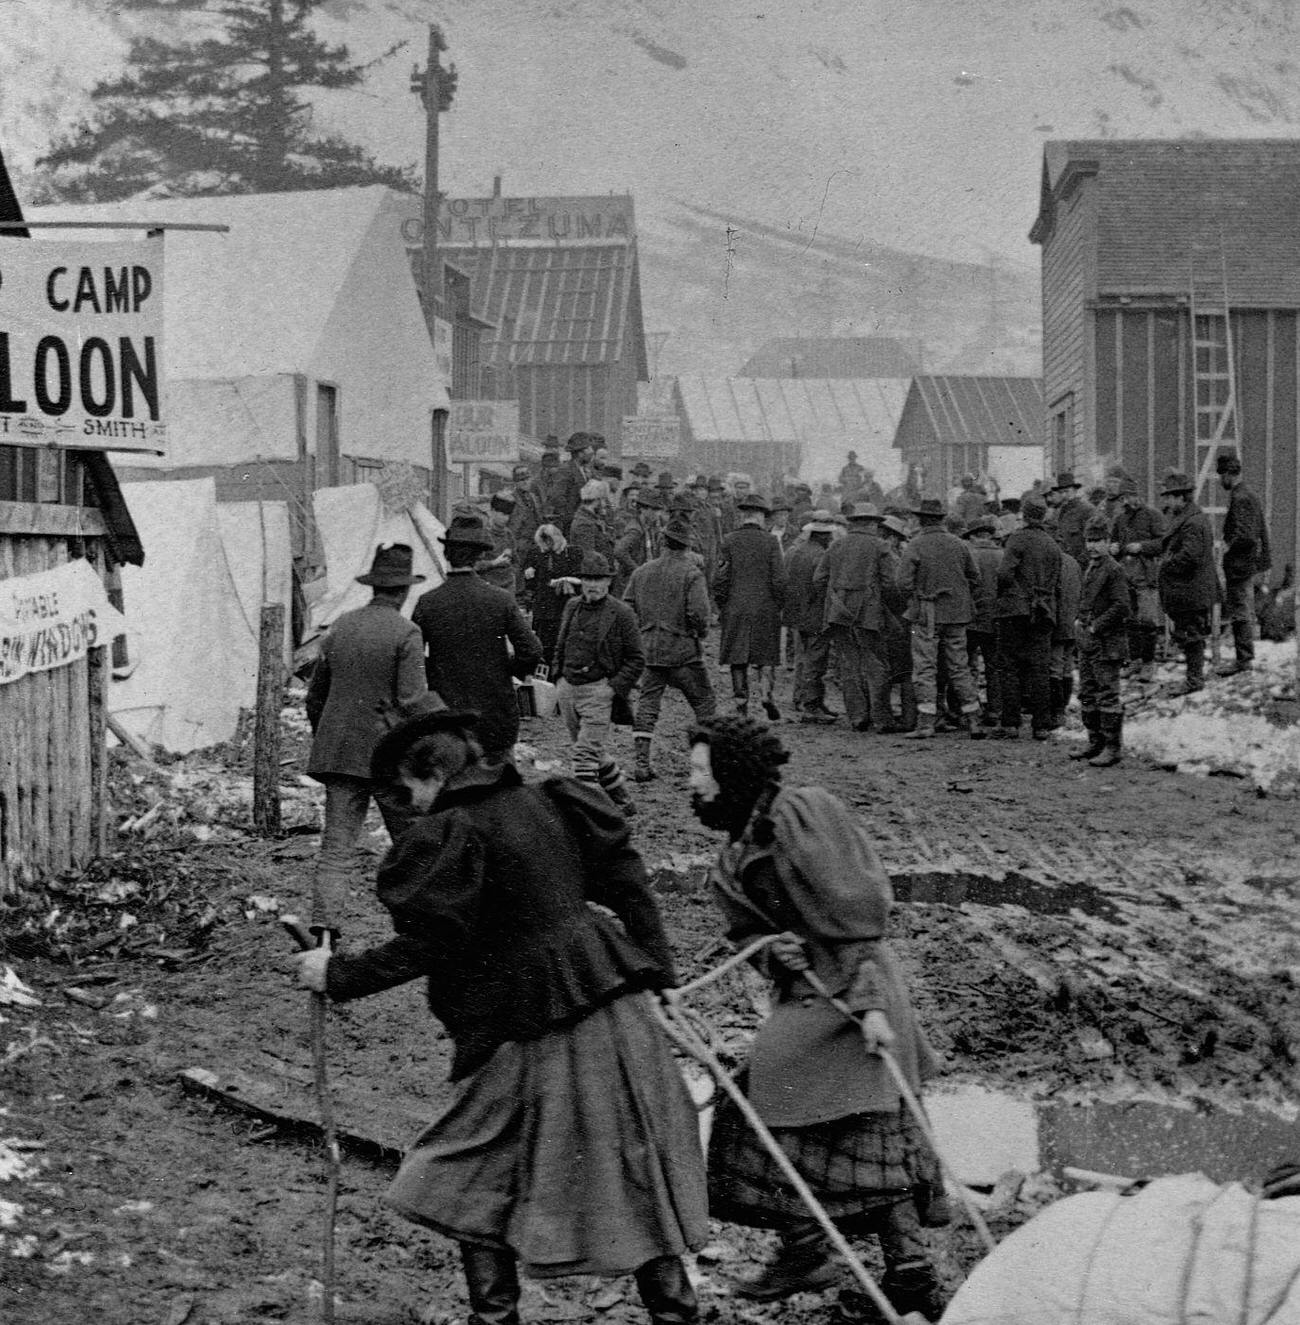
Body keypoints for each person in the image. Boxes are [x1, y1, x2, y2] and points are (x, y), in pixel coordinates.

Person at [293, 708, 707, 1325]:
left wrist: (339, 975)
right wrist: (662, 975)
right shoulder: (551, 802)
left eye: (409, 791)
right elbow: (627, 881)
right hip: (610, 1007)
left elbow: (433, 942)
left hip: (539, 1028)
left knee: (466, 1168)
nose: (410, 806)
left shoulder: (456, 831)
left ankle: (498, 1318)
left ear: (434, 774)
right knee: (627, 1164)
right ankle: (672, 1314)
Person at [687, 716, 946, 1321]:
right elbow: (749, 928)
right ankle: (853, 1259)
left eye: (700, 771)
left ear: (731, 772)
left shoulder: (802, 815)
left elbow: (860, 912)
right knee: (842, 1125)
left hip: (856, 986)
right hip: (809, 988)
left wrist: (874, 1005)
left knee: (853, 1121)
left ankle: (874, 1266)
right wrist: (774, 947)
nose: (693, 782)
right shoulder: (740, 844)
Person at [304, 543, 429, 935]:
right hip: (388, 757)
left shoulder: (341, 625)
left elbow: (315, 696)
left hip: (341, 754)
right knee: (412, 844)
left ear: (373, 586)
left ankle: (324, 932)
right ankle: (423, 923)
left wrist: (330, 736)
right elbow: (412, 702)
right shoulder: (406, 632)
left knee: (336, 849)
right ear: (405, 590)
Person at [412, 524, 543, 764]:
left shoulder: (427, 602)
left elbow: (414, 658)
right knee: (500, 791)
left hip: (447, 716)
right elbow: (532, 650)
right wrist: (507, 668)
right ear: (480, 556)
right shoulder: (500, 599)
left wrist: (436, 671)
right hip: (494, 715)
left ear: (446, 555)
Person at [624, 516, 717, 782]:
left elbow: (627, 608)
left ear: (663, 542)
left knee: (648, 705)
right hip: (682, 652)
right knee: (704, 703)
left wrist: (641, 635)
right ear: (686, 547)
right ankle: (704, 767)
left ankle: (641, 764)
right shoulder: (691, 574)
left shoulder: (641, 572)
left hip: (650, 651)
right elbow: (699, 614)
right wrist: (700, 633)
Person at [553, 551, 644, 815]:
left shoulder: (621, 613)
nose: (592, 585)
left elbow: (637, 659)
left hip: (598, 691)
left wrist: (611, 688)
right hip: (568, 688)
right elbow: (561, 643)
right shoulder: (572, 606)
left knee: (584, 756)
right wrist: (558, 677)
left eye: (598, 580)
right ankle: (623, 800)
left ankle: (588, 817)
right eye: (588, 579)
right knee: (591, 750)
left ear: (608, 582)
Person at [896, 497, 984, 739]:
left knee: (925, 667)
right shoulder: (959, 544)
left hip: (926, 615)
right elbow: (975, 578)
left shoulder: (916, 544)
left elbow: (902, 583)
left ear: (922, 520)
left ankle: (926, 723)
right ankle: (973, 719)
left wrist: (919, 595)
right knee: (960, 666)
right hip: (958, 615)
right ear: (942, 519)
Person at [1130, 470, 1219, 696]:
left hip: (1192, 591)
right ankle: (1193, 678)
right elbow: (1166, 544)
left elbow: (1189, 556)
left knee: (1193, 636)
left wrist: (1164, 565)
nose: (1166, 502)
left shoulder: (1193, 523)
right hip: (1188, 590)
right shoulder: (1185, 519)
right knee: (1190, 635)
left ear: (1181, 497)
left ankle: (1194, 681)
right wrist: (1145, 548)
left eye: (1169, 497)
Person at [814, 502, 897, 733]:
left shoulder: (836, 545)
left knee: (848, 664)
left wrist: (837, 595)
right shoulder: (880, 546)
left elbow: (818, 579)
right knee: (875, 664)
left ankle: (858, 717)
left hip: (839, 614)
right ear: (872, 523)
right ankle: (881, 718)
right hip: (870, 614)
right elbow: (891, 583)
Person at [993, 495, 1062, 739]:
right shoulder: (1052, 544)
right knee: (1040, 667)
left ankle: (1010, 724)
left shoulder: (1017, 539)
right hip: (1043, 611)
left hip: (1015, 610)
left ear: (1024, 514)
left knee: (1009, 665)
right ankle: (1041, 725)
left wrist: (1008, 595)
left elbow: (1003, 574)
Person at [714, 493, 786, 720]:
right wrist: (778, 604)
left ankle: (741, 703)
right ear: (762, 517)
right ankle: (766, 695)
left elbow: (720, 579)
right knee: (766, 655)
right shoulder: (771, 541)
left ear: (743, 515)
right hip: (765, 607)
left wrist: (722, 604)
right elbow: (780, 579)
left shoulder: (729, 540)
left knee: (737, 656)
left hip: (735, 607)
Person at [1070, 515, 1130, 767]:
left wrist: (1096, 626)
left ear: (1108, 542)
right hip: (1089, 642)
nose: (1092, 546)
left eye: (1098, 541)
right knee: (1087, 692)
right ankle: (1095, 742)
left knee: (1107, 695)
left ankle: (1112, 748)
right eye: (1089, 541)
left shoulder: (1114, 569)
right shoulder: (1092, 566)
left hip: (1107, 643)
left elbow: (1121, 606)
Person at [1216, 451, 1272, 676]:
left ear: (1229, 474)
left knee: (1240, 611)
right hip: (1246, 563)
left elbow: (1246, 535)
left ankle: (1244, 660)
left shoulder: (1240, 497)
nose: (1221, 481)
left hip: (1241, 565)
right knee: (1242, 610)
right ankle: (1244, 658)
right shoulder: (1246, 493)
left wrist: (1228, 546)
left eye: (1221, 476)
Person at [783, 511, 838, 724]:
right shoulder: (822, 555)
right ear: (822, 535)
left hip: (797, 614)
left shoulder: (795, 552)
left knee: (804, 657)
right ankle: (812, 705)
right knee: (816, 660)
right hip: (816, 615)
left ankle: (809, 700)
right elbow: (821, 585)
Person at [1110, 477, 1164, 683]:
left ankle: (1149, 664)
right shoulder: (1119, 519)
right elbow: (1114, 543)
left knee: (1148, 621)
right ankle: (1135, 661)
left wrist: (1142, 547)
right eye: (1121, 498)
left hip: (1146, 576)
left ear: (1137, 496)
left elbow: (1162, 543)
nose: (1124, 502)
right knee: (1130, 621)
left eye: (1128, 497)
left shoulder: (1153, 516)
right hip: (1126, 576)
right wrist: (1113, 548)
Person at [520, 521, 583, 665]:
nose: (547, 544)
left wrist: (565, 580)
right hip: (542, 607)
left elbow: (579, 577)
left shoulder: (572, 552)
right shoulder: (536, 553)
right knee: (543, 644)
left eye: (550, 540)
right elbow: (530, 584)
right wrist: (529, 574)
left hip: (562, 605)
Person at [962, 517, 1003, 729]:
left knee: (966, 666)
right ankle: (995, 711)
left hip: (970, 618)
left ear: (973, 536)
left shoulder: (968, 554)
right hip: (996, 619)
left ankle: (968, 710)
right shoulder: (1002, 555)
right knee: (994, 667)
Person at [1048, 544, 1082, 730]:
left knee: (1054, 667)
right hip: (1071, 621)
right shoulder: (1073, 562)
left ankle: (1057, 712)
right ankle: (1063, 707)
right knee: (1067, 666)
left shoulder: (1052, 561)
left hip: (1057, 622)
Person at [1046, 471, 1097, 568]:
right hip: (1063, 565)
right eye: (1061, 492)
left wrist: (1080, 563)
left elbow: (1093, 540)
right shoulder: (1059, 512)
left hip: (1082, 566)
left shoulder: (1087, 510)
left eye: (1066, 491)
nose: (1064, 495)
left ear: (1075, 490)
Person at [553, 433, 596, 534]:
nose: (592, 452)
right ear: (580, 453)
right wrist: (570, 519)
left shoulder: (586, 471)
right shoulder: (565, 470)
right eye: (588, 449)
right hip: (570, 526)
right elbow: (558, 498)